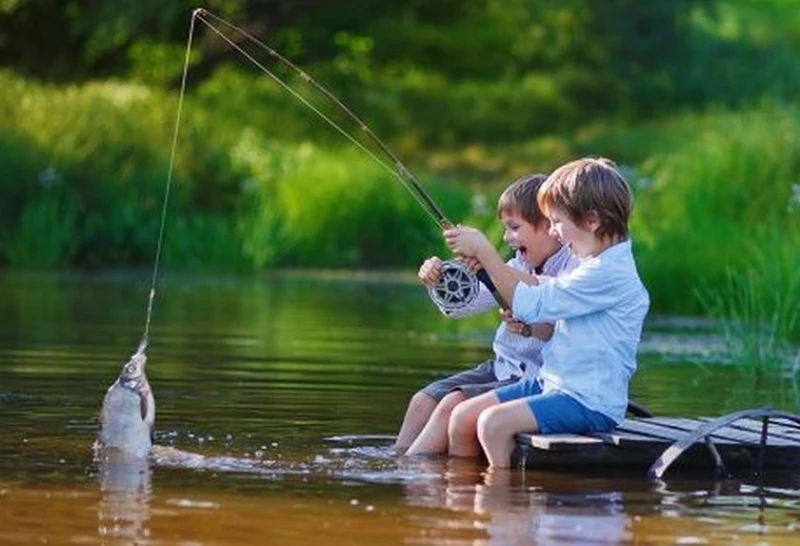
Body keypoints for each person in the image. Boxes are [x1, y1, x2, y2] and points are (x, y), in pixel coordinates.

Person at [444, 157, 650, 468]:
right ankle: (461, 497)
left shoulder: (609, 273)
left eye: (557, 221)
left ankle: (501, 504)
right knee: (462, 416)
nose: (553, 232)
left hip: (587, 400)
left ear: (592, 220)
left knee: (493, 424)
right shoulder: (592, 264)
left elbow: (531, 304)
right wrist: (490, 268)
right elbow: (539, 301)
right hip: (552, 382)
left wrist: (487, 254)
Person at [395, 173, 577, 455]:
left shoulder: (573, 267)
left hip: (534, 379)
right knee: (422, 401)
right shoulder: (518, 263)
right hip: (500, 368)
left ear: (547, 225)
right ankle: (398, 463)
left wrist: (489, 261)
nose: (507, 237)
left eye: (514, 227)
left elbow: (550, 292)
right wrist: (440, 277)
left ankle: (412, 476)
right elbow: (463, 305)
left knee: (450, 406)